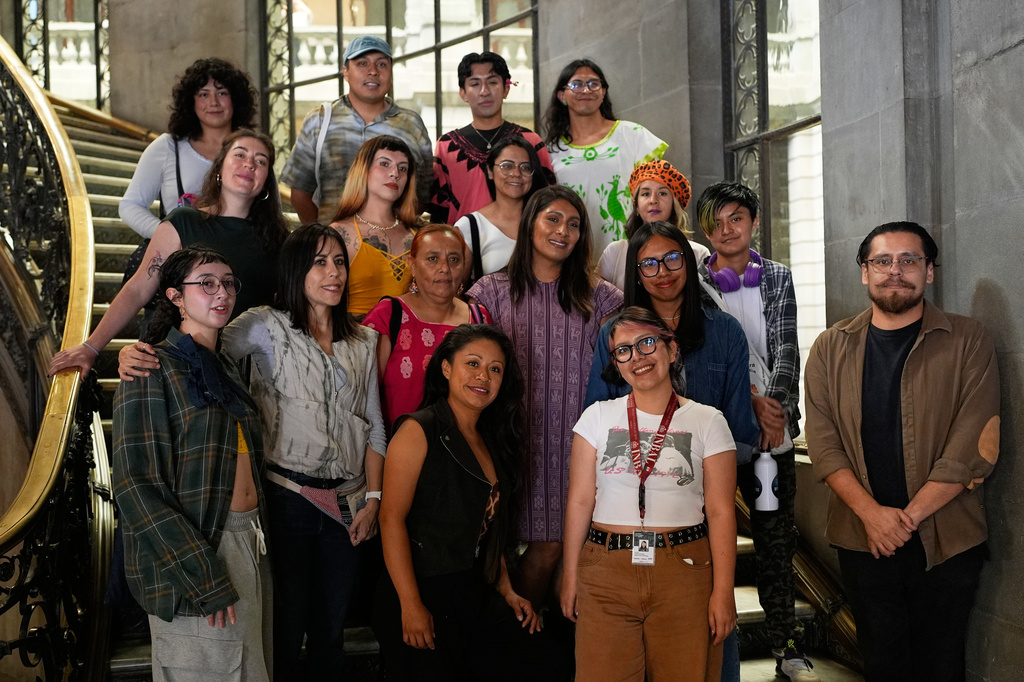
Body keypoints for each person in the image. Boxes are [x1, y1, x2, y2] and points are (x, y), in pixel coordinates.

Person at [804, 221, 1000, 682]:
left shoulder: (968, 340)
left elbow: (974, 446)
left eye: (909, 260)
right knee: (883, 662)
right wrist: (872, 516)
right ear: (864, 272)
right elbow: (825, 443)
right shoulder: (831, 347)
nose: (896, 271)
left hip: (947, 538)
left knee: (942, 663)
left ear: (929, 271)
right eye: (883, 261)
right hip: (861, 538)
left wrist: (904, 521)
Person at [583, 220, 759, 682]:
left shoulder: (725, 332)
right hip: (623, 535)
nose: (663, 271)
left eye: (673, 258)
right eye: (649, 264)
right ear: (635, 273)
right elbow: (594, 419)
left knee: (709, 653)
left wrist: (692, 463)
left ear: (689, 258)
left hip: (697, 527)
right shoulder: (612, 334)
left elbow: (742, 432)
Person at [113, 245, 272, 681]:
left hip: (249, 541)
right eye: (206, 283)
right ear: (175, 297)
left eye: (227, 283)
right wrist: (203, 574)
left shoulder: (225, 367)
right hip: (196, 551)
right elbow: (135, 486)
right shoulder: (149, 367)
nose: (221, 292)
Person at [374, 325, 566, 681]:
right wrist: (411, 604)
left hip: (473, 587)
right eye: (473, 364)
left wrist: (507, 590)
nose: (484, 376)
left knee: (547, 661)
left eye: (495, 368)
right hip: (422, 587)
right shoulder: (419, 429)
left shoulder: (493, 437)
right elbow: (391, 521)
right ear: (446, 368)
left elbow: (488, 528)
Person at [467, 184, 623, 607]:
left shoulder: (602, 296)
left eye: (574, 224)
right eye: (552, 219)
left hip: (575, 444)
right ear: (530, 223)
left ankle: (529, 643)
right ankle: (516, 642)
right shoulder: (491, 291)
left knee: (554, 546)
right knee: (496, 547)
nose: (563, 231)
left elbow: (626, 364)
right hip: (509, 438)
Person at [562, 307, 737, 681]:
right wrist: (570, 575)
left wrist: (724, 592)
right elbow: (579, 501)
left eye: (646, 343)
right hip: (605, 568)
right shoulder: (596, 417)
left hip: (684, 570)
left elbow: (722, 512)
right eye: (623, 350)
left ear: (671, 350)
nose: (637, 357)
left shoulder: (708, 421)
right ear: (616, 364)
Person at [694, 181, 816, 680]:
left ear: (753, 222)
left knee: (775, 540)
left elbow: (788, 346)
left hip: (773, 434)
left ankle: (787, 649)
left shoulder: (779, 277)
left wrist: (777, 412)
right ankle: (706, 646)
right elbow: (704, 359)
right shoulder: (693, 281)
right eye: (716, 222)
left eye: (736, 219)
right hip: (717, 426)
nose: (727, 230)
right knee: (705, 538)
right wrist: (744, 405)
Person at [49, 129, 289, 378]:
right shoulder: (184, 222)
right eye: (240, 155)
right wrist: (91, 347)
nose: (249, 164)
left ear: (266, 181)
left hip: (249, 372)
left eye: (260, 161)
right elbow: (139, 288)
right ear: (219, 168)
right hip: (181, 364)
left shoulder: (279, 240)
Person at [281, 35, 432, 223]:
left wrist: (396, 232)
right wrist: (321, 239)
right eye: (362, 63)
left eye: (382, 64)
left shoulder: (411, 124)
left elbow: (423, 194)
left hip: (392, 249)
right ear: (345, 72)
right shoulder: (319, 120)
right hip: (334, 248)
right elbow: (300, 193)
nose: (373, 71)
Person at [362, 224, 491, 434]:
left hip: (463, 454)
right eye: (432, 259)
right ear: (412, 265)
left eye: (454, 259)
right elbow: (364, 398)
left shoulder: (479, 319)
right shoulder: (388, 315)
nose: (444, 269)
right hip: (397, 452)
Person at [119, 58, 258, 239]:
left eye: (222, 93)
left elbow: (271, 212)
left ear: (236, 99)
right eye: (203, 94)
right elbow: (130, 205)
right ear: (191, 102)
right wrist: (169, 236)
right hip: (181, 260)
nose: (214, 102)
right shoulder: (168, 147)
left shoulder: (253, 150)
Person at [544, 58, 667, 259]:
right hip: (572, 255)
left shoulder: (633, 135)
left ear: (603, 92)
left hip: (632, 252)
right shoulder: (550, 152)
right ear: (561, 95)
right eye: (576, 85)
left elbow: (660, 195)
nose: (586, 90)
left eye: (594, 84)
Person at [429, 51, 554, 225]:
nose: (484, 91)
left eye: (492, 82)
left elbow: (548, 201)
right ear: (463, 93)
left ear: (506, 89)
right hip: (464, 244)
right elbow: (439, 211)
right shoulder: (446, 146)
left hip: (521, 244)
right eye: (474, 84)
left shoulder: (530, 141)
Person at [328, 135, 420, 318]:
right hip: (354, 340)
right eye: (385, 164)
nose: (395, 173)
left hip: (412, 340)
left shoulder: (420, 234)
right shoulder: (338, 233)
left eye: (403, 168)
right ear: (364, 169)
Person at [598, 159, 710, 289]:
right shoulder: (615, 252)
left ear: (674, 205)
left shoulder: (698, 253)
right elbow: (598, 302)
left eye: (662, 193)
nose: (653, 200)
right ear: (637, 206)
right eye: (646, 194)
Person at [454, 136, 552, 284]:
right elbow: (456, 291)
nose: (516, 174)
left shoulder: (548, 222)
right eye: (507, 166)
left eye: (525, 167)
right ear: (490, 171)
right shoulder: (470, 226)